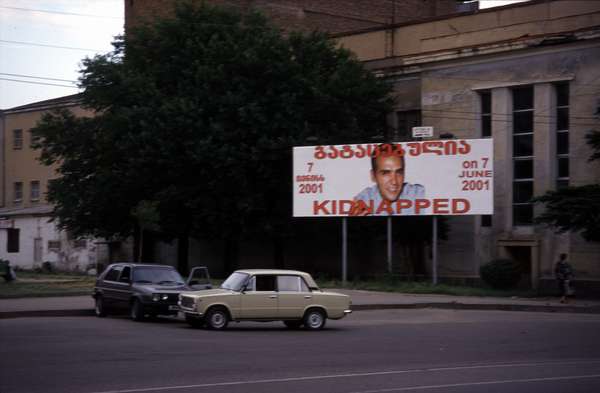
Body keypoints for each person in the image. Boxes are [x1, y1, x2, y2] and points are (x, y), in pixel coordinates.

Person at [350, 143, 425, 216]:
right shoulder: (364, 200)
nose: (394, 182)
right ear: (373, 176)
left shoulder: (418, 194)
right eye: (385, 173)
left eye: (399, 172)